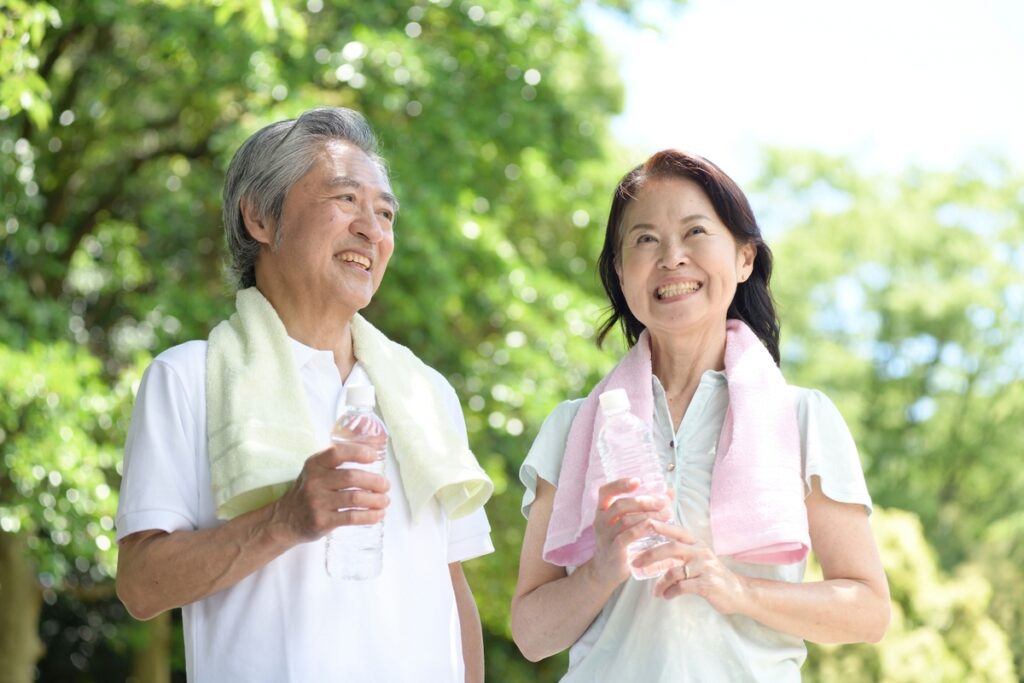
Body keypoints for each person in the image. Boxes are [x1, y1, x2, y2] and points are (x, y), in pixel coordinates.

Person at [115, 107, 494, 682]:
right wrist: (285, 520)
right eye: (346, 199)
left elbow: (451, 587)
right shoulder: (191, 377)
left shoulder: (425, 395)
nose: (374, 228)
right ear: (261, 218)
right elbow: (141, 585)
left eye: (385, 211)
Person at [510, 150, 890, 681]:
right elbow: (531, 635)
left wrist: (739, 590)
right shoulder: (574, 428)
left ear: (744, 258)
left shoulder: (801, 417)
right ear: (621, 273)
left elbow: (868, 610)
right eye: (645, 239)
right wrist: (600, 568)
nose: (671, 258)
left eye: (695, 232)